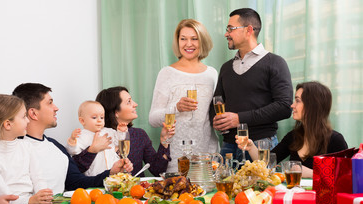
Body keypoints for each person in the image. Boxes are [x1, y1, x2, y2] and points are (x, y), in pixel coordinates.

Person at [8, 83, 132, 194]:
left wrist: (111, 173)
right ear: (34, 113)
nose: (56, 108)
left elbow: (76, 182)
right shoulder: (12, 147)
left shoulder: (56, 147)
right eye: (50, 102)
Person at [212, 8, 293, 160]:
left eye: (230, 29)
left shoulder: (275, 63)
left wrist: (239, 118)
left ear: (249, 30)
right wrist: (217, 121)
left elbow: (284, 107)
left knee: (261, 185)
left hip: (261, 145)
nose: (226, 34)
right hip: (228, 147)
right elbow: (217, 102)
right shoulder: (226, 67)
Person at [236, 81, 348, 178]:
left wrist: (310, 173)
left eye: (297, 101)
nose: (292, 105)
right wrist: (251, 147)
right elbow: (266, 163)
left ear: (312, 105)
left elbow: (345, 177)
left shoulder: (335, 140)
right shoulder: (293, 136)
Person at [149, 19, 219, 172]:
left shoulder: (212, 74)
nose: (188, 44)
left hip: (207, 156)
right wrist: (176, 108)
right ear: (177, 41)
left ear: (202, 41)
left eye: (194, 39)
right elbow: (153, 119)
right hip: (177, 158)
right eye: (183, 39)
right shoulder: (166, 73)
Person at [74, 86, 174, 177]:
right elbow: (76, 171)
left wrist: (164, 141)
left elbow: (157, 170)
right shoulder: (91, 136)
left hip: (135, 192)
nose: (135, 104)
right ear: (116, 112)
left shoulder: (139, 135)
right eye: (129, 102)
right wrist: (92, 150)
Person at [66, 101, 121, 176]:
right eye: (94, 117)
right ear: (82, 121)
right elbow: (73, 152)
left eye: (102, 117)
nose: (99, 120)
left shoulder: (109, 131)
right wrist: (72, 141)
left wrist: (122, 131)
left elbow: (120, 141)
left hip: (114, 174)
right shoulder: (81, 135)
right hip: (94, 175)